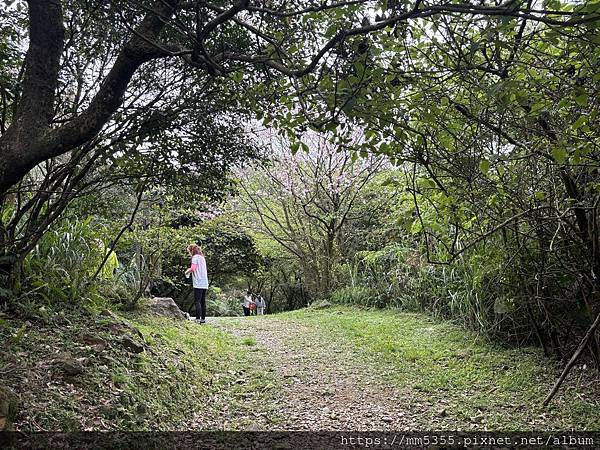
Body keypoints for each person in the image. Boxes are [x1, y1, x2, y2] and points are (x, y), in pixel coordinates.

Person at [185, 244, 208, 324]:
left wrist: (187, 271)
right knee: (203, 301)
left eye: (189, 251)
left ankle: (198, 319)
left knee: (197, 301)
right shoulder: (202, 258)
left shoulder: (195, 258)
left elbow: (193, 269)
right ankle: (203, 319)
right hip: (205, 282)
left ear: (192, 250)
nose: (189, 254)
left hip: (198, 282)